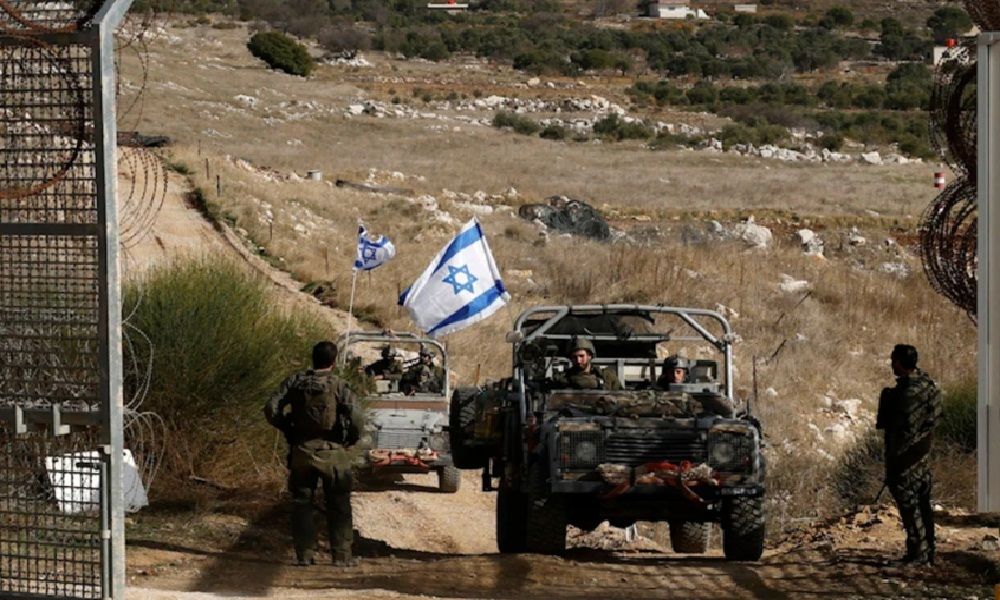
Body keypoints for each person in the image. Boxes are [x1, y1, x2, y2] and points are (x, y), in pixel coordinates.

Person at [264, 341, 363, 567]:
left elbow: (271, 408)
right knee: (339, 504)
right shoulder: (339, 385)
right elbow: (357, 417)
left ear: (313, 358)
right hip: (333, 452)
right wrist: (352, 438)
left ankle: (305, 555)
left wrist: (287, 427)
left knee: (302, 503)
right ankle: (342, 556)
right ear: (334, 362)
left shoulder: (295, 382)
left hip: (302, 451)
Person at [876, 344, 942, 565]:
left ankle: (918, 553)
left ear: (900, 363)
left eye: (893, 361)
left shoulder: (905, 394)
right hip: (922, 458)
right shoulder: (928, 386)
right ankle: (928, 550)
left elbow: (898, 429)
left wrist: (895, 461)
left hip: (905, 460)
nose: (891, 365)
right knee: (923, 506)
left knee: (910, 508)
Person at [553, 337, 622, 390]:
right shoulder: (563, 379)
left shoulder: (607, 377)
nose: (578, 360)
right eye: (574, 357)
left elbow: (622, 398)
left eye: (581, 356)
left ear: (589, 356)